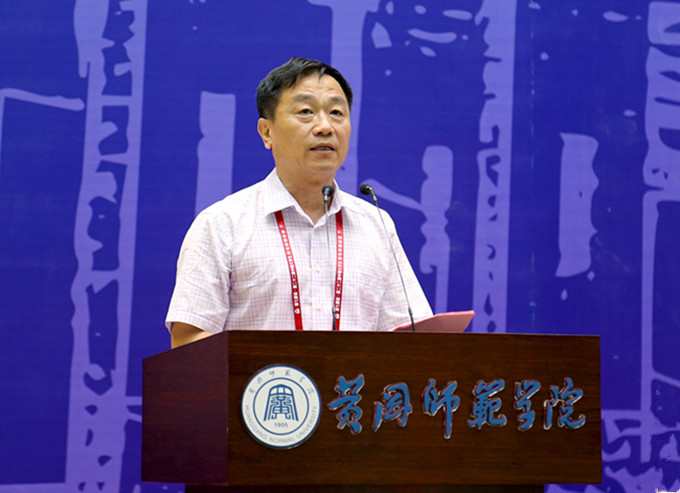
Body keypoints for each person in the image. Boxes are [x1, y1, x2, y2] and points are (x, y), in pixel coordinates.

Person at [166, 57, 432, 348]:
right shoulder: (222, 224)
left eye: (336, 113)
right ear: (267, 132)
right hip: (262, 379)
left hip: (356, 381)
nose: (325, 127)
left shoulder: (375, 225)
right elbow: (188, 341)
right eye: (306, 112)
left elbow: (414, 339)